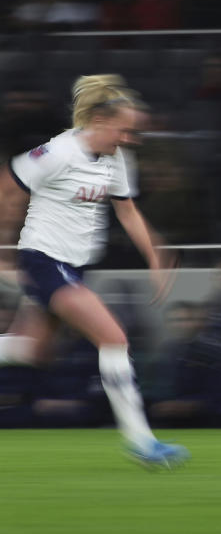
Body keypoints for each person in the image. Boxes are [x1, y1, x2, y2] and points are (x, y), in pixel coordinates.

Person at [0, 74, 188, 468]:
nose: (131, 138)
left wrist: (155, 253)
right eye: (126, 129)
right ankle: (142, 442)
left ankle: (143, 442)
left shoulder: (118, 158)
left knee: (32, 351)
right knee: (113, 337)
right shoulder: (57, 152)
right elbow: (8, 187)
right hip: (44, 260)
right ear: (101, 121)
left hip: (74, 266)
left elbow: (127, 210)